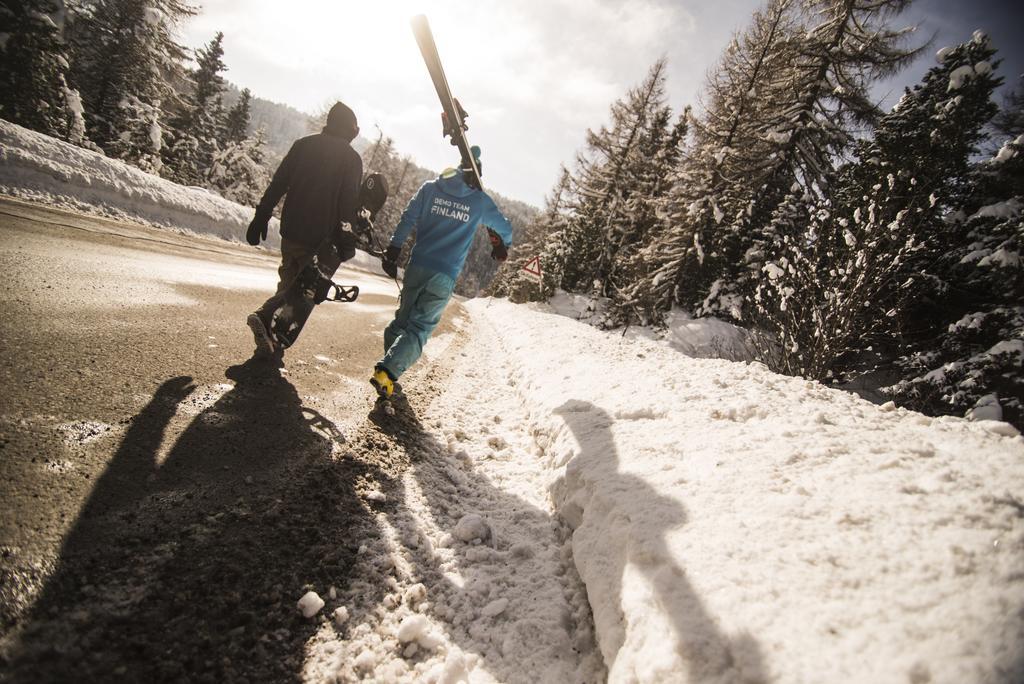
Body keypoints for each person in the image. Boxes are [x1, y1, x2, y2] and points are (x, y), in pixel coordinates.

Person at [371, 146, 513, 398]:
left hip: (417, 266)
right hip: (444, 274)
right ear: (477, 174)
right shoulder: (479, 201)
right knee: (419, 328)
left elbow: (407, 218)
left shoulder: (430, 188)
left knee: (402, 320)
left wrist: (394, 248)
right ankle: (387, 372)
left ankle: (388, 370)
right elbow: (505, 230)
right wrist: (501, 244)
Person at [245, 101, 363, 356]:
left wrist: (262, 216)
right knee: (302, 293)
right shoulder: (351, 159)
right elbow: (348, 203)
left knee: (288, 283)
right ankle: (265, 316)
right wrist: (347, 240)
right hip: (320, 240)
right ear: (349, 129)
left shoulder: (303, 145)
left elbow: (278, 183)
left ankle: (272, 342)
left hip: (291, 230)